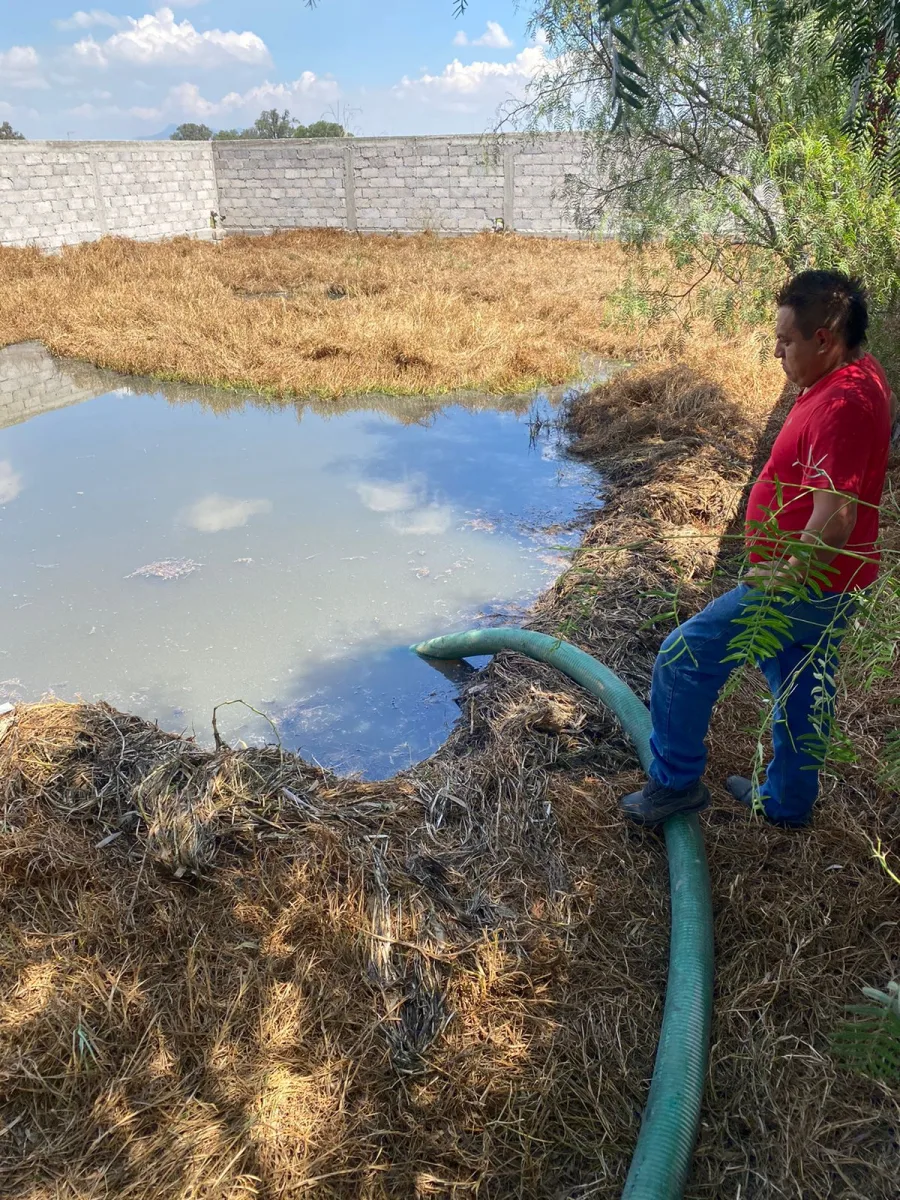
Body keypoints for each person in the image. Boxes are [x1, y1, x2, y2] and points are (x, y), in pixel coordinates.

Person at [621, 270, 893, 829]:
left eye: (786, 340)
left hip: (804, 584)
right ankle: (787, 802)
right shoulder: (856, 374)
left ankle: (674, 784)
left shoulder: (845, 405)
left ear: (825, 338)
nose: (776, 352)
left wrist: (787, 574)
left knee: (682, 659)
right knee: (800, 684)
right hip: (834, 584)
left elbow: (835, 515)